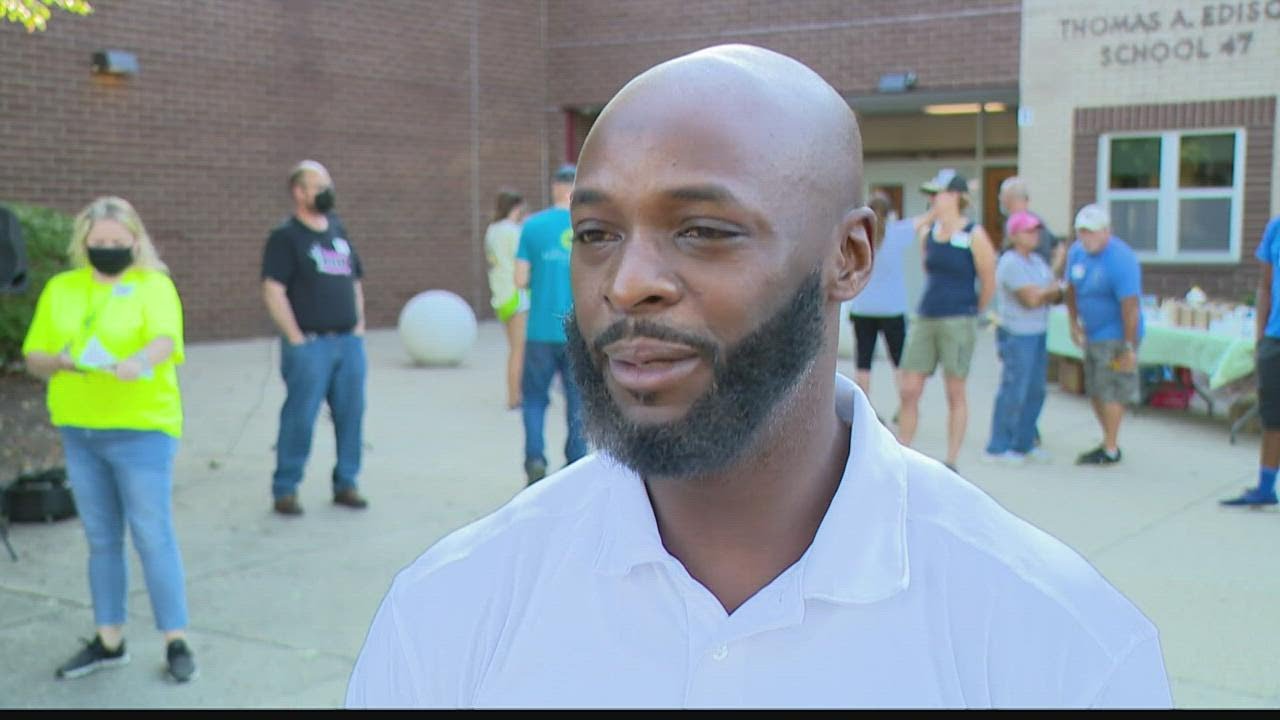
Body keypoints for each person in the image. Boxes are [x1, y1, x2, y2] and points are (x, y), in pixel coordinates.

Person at [346, 44, 1170, 709]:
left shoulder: (1058, 646)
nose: (627, 282)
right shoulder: (451, 609)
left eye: (703, 229)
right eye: (595, 233)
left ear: (848, 257)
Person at [22, 196, 196, 682]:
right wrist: (59, 360)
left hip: (142, 428)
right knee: (101, 539)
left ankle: (175, 639)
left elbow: (165, 340)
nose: (108, 250)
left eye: (118, 243)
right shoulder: (63, 288)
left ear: (135, 242)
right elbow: (34, 354)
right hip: (81, 429)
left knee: (152, 535)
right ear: (83, 243)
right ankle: (109, 638)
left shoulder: (152, 285)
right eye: (99, 243)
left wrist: (139, 361)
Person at [261, 160, 369, 515]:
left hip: (348, 344)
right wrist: (295, 338)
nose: (327, 192)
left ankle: (347, 482)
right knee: (300, 417)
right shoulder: (286, 237)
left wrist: (358, 326)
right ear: (299, 192)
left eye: (328, 184)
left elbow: (354, 280)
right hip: (310, 346)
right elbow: (273, 290)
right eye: (318, 186)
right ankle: (286, 488)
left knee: (351, 416)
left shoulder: (338, 229)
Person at [896, 169, 997, 472]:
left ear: (954, 196)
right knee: (909, 387)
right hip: (927, 313)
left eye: (937, 194)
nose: (932, 200)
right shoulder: (930, 233)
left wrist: (973, 309)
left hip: (958, 317)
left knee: (955, 389)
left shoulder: (974, 234)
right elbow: (929, 269)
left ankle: (951, 459)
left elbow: (988, 277)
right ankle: (902, 450)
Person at [513, 164, 587, 485]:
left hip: (540, 329)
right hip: (579, 332)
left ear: (554, 186)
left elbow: (519, 279)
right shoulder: (587, 224)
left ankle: (534, 458)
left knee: (534, 399)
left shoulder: (532, 227)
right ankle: (576, 464)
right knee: (578, 401)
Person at [982, 211, 1065, 464]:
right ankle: (999, 446)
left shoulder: (1037, 262)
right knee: (1014, 390)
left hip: (1038, 332)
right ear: (1014, 235)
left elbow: (1055, 293)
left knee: (1035, 391)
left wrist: (1047, 291)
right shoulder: (1010, 262)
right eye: (1029, 231)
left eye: (1036, 230)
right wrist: (1049, 291)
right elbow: (1031, 299)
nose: (1035, 235)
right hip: (1017, 335)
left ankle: (1023, 442)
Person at [1065, 204, 1144, 466]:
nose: (1086, 238)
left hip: (1116, 333)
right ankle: (1108, 439)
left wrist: (1129, 347)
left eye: (1092, 232)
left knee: (1111, 389)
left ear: (1106, 231)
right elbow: (1071, 290)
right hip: (1092, 332)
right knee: (1095, 389)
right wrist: (1073, 323)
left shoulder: (1121, 259)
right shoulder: (1076, 253)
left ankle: (1110, 448)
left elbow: (1130, 307)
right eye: (1082, 232)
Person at [1221, 214, 1280, 506]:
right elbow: (1265, 285)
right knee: (1272, 416)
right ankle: (1266, 487)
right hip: (1275, 338)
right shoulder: (1275, 227)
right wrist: (1261, 337)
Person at [847, 192, 910, 403]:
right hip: (892, 309)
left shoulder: (859, 235)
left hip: (863, 307)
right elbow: (926, 219)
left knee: (863, 363)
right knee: (899, 362)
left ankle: (864, 407)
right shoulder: (899, 232)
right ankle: (904, 407)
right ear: (890, 212)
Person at [484, 189, 529, 410]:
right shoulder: (514, 232)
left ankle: (515, 394)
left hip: (500, 294)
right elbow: (523, 261)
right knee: (519, 350)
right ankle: (514, 397)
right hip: (516, 295)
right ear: (517, 207)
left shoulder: (492, 230)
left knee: (514, 348)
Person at [998, 176, 1065, 277]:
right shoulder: (1010, 221)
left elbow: (1060, 249)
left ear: (1008, 198)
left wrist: (1050, 275)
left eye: (1002, 196)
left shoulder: (1034, 223)